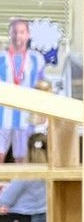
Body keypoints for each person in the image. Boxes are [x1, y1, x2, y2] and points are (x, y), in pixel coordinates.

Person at [0, 19, 46, 163]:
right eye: (14, 32)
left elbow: (42, 87)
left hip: (26, 116)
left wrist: (43, 112)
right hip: (2, 115)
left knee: (22, 159)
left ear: (28, 35)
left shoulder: (36, 59)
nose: (18, 36)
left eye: (22, 32)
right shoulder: (1, 58)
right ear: (10, 34)